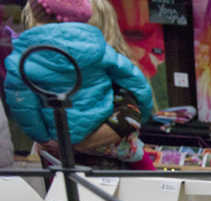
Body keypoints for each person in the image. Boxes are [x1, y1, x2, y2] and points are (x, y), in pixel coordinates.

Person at [5, 0, 153, 167]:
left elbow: (22, 105)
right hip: (101, 143)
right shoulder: (99, 50)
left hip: (58, 143)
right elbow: (136, 86)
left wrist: (43, 138)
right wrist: (147, 110)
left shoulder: (23, 59)